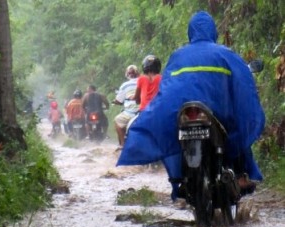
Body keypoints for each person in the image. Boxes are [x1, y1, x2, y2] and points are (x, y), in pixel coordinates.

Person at [117, 11, 265, 200]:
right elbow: (243, 81)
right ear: (212, 31)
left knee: (174, 135)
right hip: (219, 114)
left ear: (190, 32)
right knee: (238, 127)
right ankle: (242, 175)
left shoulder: (178, 56)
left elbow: (167, 89)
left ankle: (181, 179)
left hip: (183, 113)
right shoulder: (225, 54)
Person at [113, 65, 140, 149]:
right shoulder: (143, 81)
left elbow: (119, 100)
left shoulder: (125, 85)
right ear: (137, 73)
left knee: (117, 121)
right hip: (144, 111)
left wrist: (115, 102)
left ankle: (122, 145)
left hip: (130, 113)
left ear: (127, 74)